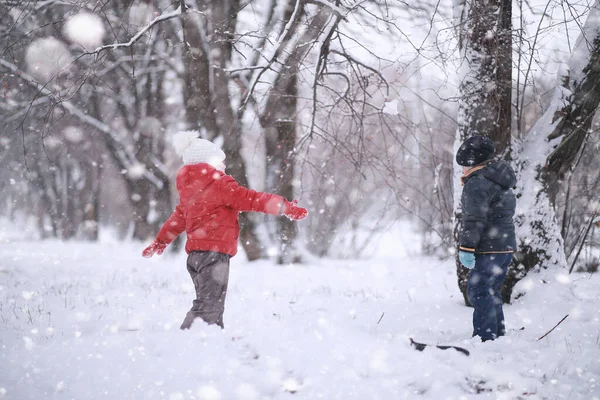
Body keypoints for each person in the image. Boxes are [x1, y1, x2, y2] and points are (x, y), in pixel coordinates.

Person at [142, 131, 308, 330]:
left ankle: (212, 339)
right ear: (208, 164)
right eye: (220, 163)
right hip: (213, 256)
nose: (224, 166)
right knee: (209, 306)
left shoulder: (189, 192)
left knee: (211, 303)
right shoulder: (220, 184)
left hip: (196, 256)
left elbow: (176, 221)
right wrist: (285, 207)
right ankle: (189, 337)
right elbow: (253, 199)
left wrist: (160, 242)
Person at [456, 135, 517, 342]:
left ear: (473, 164)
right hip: (504, 246)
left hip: (489, 247)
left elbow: (474, 219)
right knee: (491, 289)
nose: (462, 170)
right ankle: (496, 333)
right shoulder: (499, 181)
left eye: (464, 166)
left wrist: (466, 247)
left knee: (478, 290)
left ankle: (485, 336)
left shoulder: (477, 183)